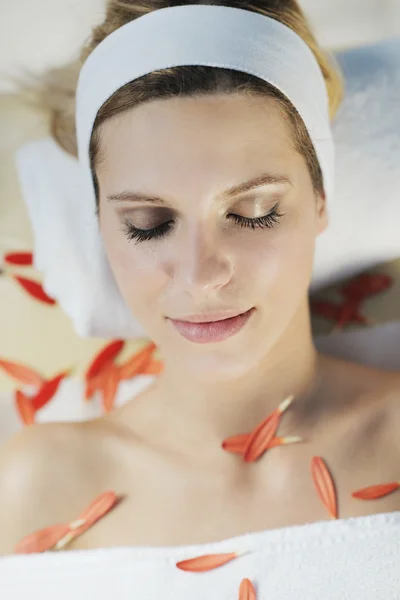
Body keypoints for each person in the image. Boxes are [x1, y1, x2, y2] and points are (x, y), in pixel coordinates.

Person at [0, 0, 399, 596]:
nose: (200, 274)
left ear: (320, 201)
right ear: (101, 225)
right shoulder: (31, 484)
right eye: (148, 223)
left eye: (254, 212)